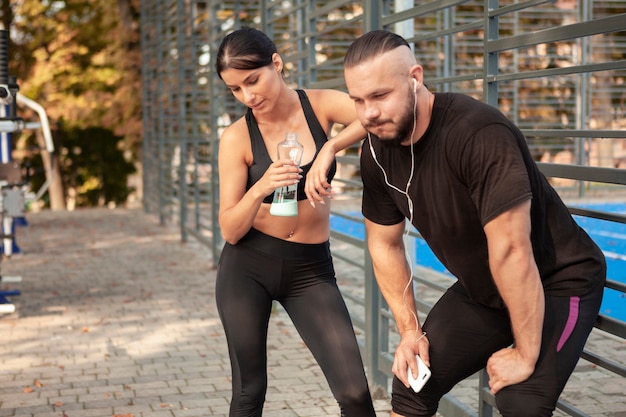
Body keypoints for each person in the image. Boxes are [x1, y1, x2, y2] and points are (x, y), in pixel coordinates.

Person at [307, 30, 606, 417]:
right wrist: (410, 332)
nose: (368, 114)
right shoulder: (376, 152)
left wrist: (526, 352)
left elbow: (512, 250)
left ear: (415, 78)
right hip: (485, 290)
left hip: (557, 282)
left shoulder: (478, 134)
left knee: (519, 401)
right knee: (413, 380)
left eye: (380, 96)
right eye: (358, 100)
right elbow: (384, 244)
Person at [214, 27, 376, 417]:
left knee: (354, 393)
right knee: (250, 392)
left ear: (276, 63)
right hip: (247, 267)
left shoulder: (318, 106)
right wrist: (259, 189)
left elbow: (372, 115)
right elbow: (230, 229)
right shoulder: (237, 138)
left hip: (310, 270)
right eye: (236, 89)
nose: (248, 96)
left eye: (252, 80)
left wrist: (331, 147)